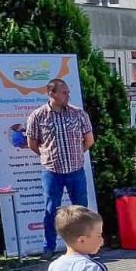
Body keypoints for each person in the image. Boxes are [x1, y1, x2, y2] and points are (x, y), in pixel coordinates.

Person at [24, 77, 96, 257]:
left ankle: (83, 246)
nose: (67, 95)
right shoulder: (38, 116)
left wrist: (77, 153)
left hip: (76, 170)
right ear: (51, 93)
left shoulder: (78, 114)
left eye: (68, 92)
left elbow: (89, 140)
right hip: (52, 172)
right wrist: (47, 156)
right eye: (64, 92)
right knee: (51, 210)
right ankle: (49, 247)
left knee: (81, 211)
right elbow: (32, 143)